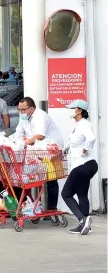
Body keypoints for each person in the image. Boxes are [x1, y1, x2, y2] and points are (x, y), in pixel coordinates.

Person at [13, 97, 64, 213]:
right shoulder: (24, 117)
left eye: (23, 110)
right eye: (19, 110)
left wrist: (24, 142)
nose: (21, 112)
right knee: (30, 177)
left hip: (52, 149)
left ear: (32, 108)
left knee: (51, 179)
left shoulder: (40, 116)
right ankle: (32, 206)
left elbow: (40, 135)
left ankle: (52, 209)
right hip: (37, 150)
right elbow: (18, 132)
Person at [61, 100, 98, 235]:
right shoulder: (78, 126)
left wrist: (85, 150)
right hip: (85, 166)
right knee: (82, 194)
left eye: (72, 108)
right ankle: (84, 224)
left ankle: (83, 220)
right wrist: (62, 150)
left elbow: (91, 138)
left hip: (82, 165)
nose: (70, 110)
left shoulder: (84, 125)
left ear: (80, 110)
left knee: (66, 194)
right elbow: (70, 143)